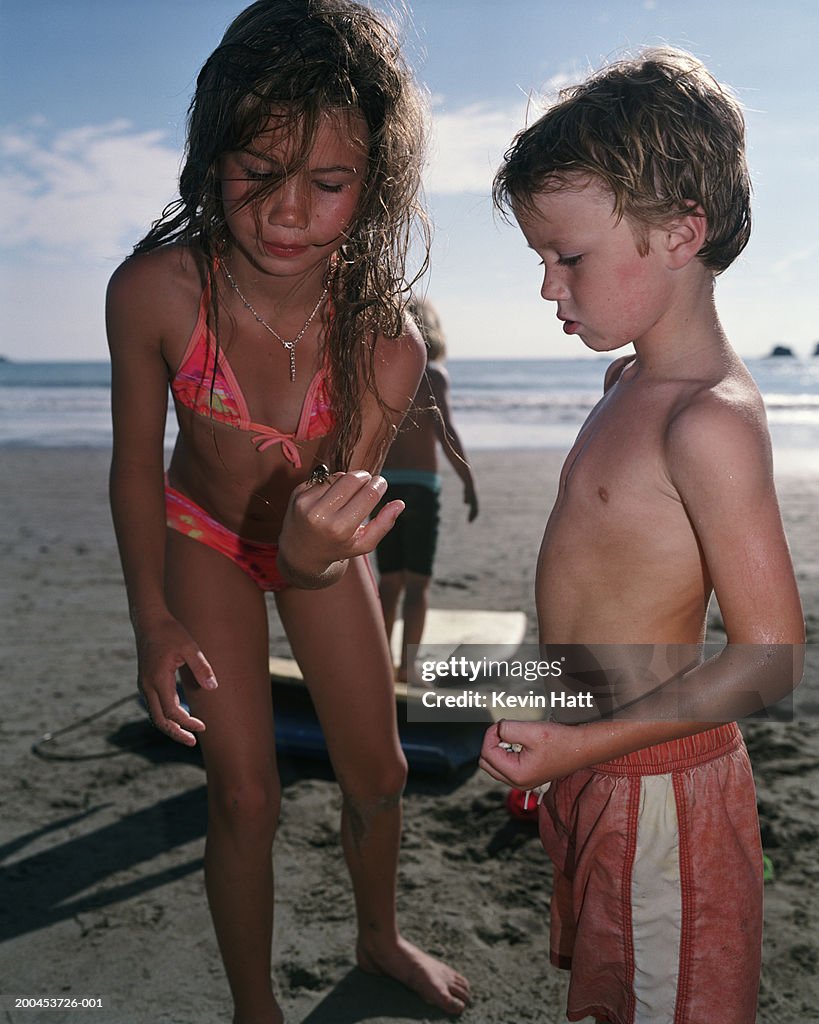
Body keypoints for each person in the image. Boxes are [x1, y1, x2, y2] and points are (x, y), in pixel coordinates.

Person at [105, 2, 470, 1021]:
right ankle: (255, 1006)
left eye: (329, 182)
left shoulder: (386, 346)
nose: (286, 211)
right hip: (201, 540)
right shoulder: (154, 294)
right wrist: (153, 617)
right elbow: (137, 468)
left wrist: (310, 558)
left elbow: (337, 520)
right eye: (257, 172)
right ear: (210, 152)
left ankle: (379, 933)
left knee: (381, 770)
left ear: (377, 184)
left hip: (316, 547)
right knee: (245, 795)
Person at [479, 48, 804, 1024]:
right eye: (540, 258)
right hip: (588, 766)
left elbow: (772, 659)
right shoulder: (624, 384)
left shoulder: (705, 421)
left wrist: (591, 747)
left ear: (679, 232)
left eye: (566, 257)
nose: (547, 287)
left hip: (656, 785)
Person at [375, 296, 478, 684]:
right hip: (421, 490)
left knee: (389, 582)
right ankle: (407, 667)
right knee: (417, 585)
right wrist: (468, 482)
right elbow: (446, 433)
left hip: (383, 486)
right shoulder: (433, 375)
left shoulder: (383, 370)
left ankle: (381, 664)